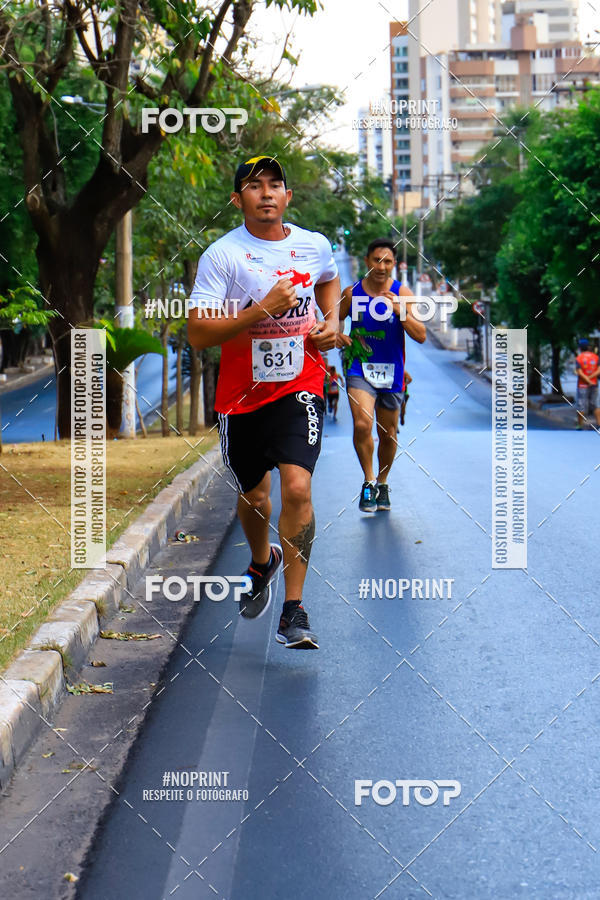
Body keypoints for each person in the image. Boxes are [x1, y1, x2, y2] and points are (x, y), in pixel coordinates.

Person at [187, 155, 340, 649]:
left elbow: (329, 279)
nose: (267, 193)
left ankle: (294, 610)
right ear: (239, 200)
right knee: (256, 496)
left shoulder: (314, 245)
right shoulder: (222, 257)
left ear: (288, 197)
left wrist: (332, 322)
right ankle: (261, 560)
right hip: (242, 395)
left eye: (276, 185)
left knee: (297, 487)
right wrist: (260, 310)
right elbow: (197, 333)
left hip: (302, 383)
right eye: (255, 186)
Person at [337, 238, 426, 513]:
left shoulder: (404, 293)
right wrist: (339, 334)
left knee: (387, 434)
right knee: (363, 425)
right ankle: (368, 480)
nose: (381, 266)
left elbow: (420, 335)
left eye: (387, 261)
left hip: (392, 372)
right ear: (367, 261)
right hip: (358, 368)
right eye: (377, 260)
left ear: (394, 265)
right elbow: (336, 318)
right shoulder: (352, 293)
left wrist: (400, 312)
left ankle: (383, 482)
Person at [574, 338, 600, 430]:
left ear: (580, 348)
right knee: (595, 404)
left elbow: (579, 372)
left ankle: (580, 425)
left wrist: (587, 380)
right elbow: (599, 370)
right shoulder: (596, 357)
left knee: (581, 404)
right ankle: (598, 424)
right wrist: (591, 378)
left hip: (582, 385)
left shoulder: (579, 358)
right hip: (594, 384)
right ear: (588, 347)